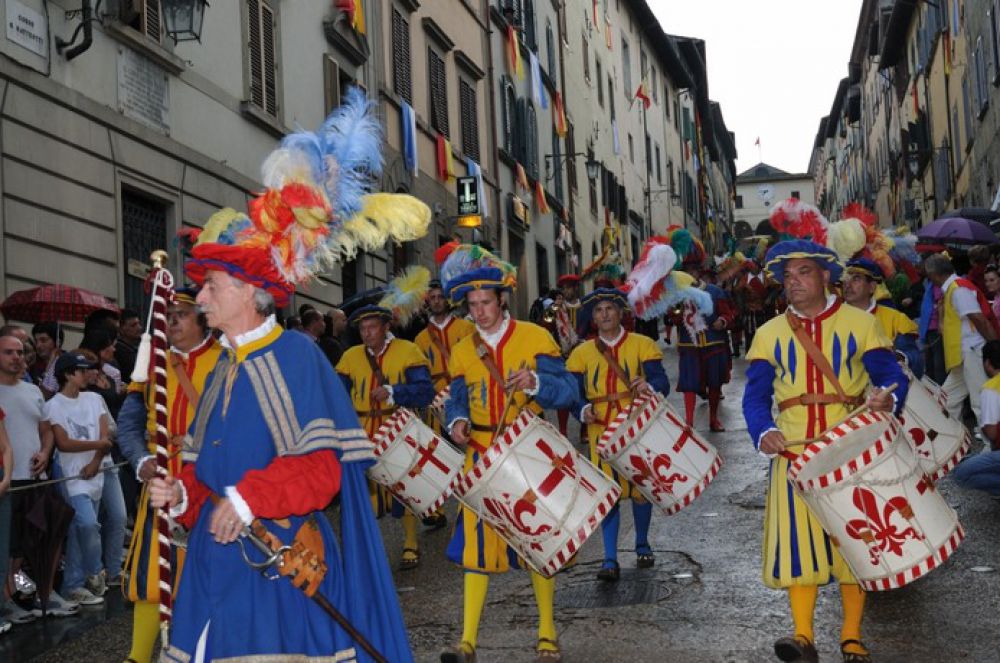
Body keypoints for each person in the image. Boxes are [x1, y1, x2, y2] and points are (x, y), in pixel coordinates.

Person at [148, 86, 422, 662]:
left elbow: (320, 471)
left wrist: (248, 499)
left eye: (212, 287)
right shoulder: (221, 364)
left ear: (250, 292)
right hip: (212, 569)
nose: (200, 297)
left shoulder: (295, 355)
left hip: (273, 567)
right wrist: (180, 497)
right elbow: (206, 476)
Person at [743, 240, 908, 663]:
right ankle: (802, 637)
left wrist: (888, 398)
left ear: (825, 277)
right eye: (786, 276)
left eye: (802, 273)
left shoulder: (859, 323)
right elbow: (755, 397)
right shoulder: (768, 334)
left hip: (851, 450)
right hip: (794, 457)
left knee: (855, 542)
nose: (792, 283)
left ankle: (851, 636)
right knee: (798, 545)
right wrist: (763, 431)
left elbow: (892, 376)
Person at [440, 245, 579, 663]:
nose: (479, 312)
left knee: (537, 542)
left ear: (502, 300)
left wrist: (536, 382)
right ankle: (466, 642)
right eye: (472, 305)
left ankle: (547, 634)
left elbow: (569, 394)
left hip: (528, 454)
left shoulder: (536, 338)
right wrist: (457, 422)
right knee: (476, 552)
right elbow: (456, 401)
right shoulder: (463, 350)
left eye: (486, 303)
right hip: (480, 457)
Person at [116, 287, 222, 663]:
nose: (172, 321)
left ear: (203, 319)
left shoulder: (228, 361)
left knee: (207, 579)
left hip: (207, 485)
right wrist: (140, 459)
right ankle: (137, 657)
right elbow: (127, 425)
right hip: (160, 486)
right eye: (168, 314)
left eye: (182, 314)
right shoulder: (150, 363)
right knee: (150, 575)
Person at [566, 288, 669, 581]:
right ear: (593, 318)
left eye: (610, 308)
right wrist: (583, 410)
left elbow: (661, 380)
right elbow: (574, 393)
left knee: (640, 490)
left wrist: (650, 387)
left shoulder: (643, 344)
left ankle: (642, 544)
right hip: (601, 432)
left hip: (637, 427)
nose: (605, 315)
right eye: (599, 311)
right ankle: (609, 558)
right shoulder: (581, 353)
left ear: (621, 312)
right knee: (607, 494)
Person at [336, 304, 434, 569]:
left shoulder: (408, 351)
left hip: (397, 428)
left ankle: (411, 542)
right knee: (363, 490)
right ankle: (368, 548)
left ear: (386, 327)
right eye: (362, 329)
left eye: (372, 327)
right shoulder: (350, 357)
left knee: (403, 486)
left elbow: (426, 391)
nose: (367, 334)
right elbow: (339, 394)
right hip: (361, 430)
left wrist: (393, 391)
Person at [43, 352, 113, 607]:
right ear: (68, 374)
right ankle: (96, 571)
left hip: (95, 472)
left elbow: (106, 436)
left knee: (78, 531)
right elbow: (63, 443)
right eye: (83, 370)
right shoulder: (53, 406)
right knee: (87, 524)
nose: (89, 374)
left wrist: (95, 461)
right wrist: (99, 445)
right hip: (71, 474)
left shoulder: (95, 399)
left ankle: (73, 585)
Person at [0, 335, 53, 625]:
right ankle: (7, 601)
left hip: (35, 478)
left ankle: (25, 595)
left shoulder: (33, 391)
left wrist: (45, 452)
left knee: (30, 545)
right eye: (8, 352)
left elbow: (46, 430)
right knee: (7, 547)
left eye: (20, 352)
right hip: (6, 480)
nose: (17, 357)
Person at [413, 279, 475, 529]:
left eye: (441, 296)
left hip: (461, 397)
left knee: (466, 451)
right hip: (434, 402)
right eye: (433, 297)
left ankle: (470, 504)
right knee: (435, 456)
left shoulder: (465, 328)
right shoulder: (420, 338)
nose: (437, 301)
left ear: (448, 299)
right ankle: (435, 509)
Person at [924, 254, 997, 430]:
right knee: (946, 400)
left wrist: (995, 348)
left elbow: (979, 319)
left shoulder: (957, 289)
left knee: (979, 401)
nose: (928, 278)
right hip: (964, 355)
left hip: (972, 351)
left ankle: (991, 447)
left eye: (928, 274)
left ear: (934, 274)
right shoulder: (954, 289)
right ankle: (956, 439)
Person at [672, 273, 736, 432]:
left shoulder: (715, 291)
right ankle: (689, 422)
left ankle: (713, 419)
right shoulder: (677, 295)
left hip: (714, 343)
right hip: (689, 345)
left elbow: (729, 313)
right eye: (687, 270)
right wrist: (674, 312)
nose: (691, 274)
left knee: (715, 382)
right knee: (689, 383)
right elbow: (673, 319)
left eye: (694, 269)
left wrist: (722, 321)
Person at [842, 258, 923, 376]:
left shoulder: (895, 319)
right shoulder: (831, 317)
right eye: (845, 280)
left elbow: (913, 357)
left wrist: (900, 357)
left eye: (856, 279)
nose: (847, 285)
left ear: (872, 287)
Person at [952, 340, 1000, 495]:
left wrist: (984, 428)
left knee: (960, 474)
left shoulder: (991, 389)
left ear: (987, 363)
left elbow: (992, 433)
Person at [31, 321, 64, 398]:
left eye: (43, 340)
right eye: (36, 341)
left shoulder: (67, 363)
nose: (38, 345)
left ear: (58, 341)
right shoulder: (32, 363)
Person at [115, 309, 143, 382]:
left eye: (139, 324)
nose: (139, 328)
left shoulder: (136, 348)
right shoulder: (119, 351)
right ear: (121, 329)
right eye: (133, 325)